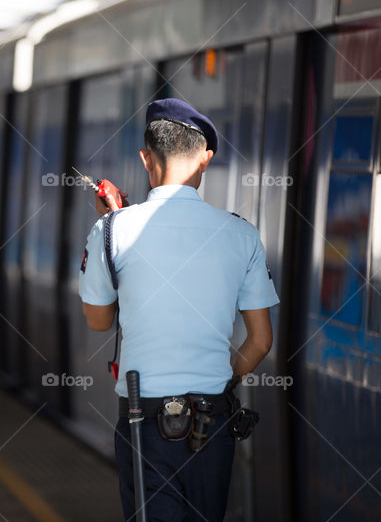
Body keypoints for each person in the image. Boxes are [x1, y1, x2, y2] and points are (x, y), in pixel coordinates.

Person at [79, 97, 278, 522]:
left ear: (145, 159)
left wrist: (111, 235)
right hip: (214, 427)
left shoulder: (112, 229)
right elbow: (261, 341)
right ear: (205, 160)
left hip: (144, 423)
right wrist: (218, 380)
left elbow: (98, 321)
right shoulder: (242, 235)